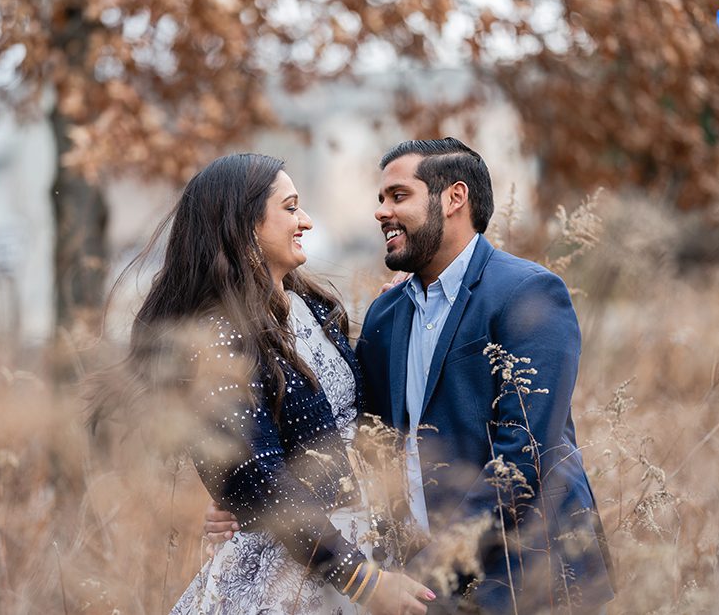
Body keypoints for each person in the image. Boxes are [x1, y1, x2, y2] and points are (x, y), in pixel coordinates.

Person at [206, 139, 615, 613]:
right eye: (380, 199)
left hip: (531, 572)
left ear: (454, 198)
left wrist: (427, 571)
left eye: (398, 196)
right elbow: (354, 434)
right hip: (421, 581)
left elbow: (522, 460)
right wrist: (244, 490)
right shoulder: (386, 314)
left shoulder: (528, 295)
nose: (381, 211)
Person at [106, 153, 436, 614]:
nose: (305, 221)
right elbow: (261, 479)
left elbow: (357, 416)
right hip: (297, 569)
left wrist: (402, 308)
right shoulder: (219, 335)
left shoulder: (312, 308)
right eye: (290, 207)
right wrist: (362, 579)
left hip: (361, 545)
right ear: (244, 226)